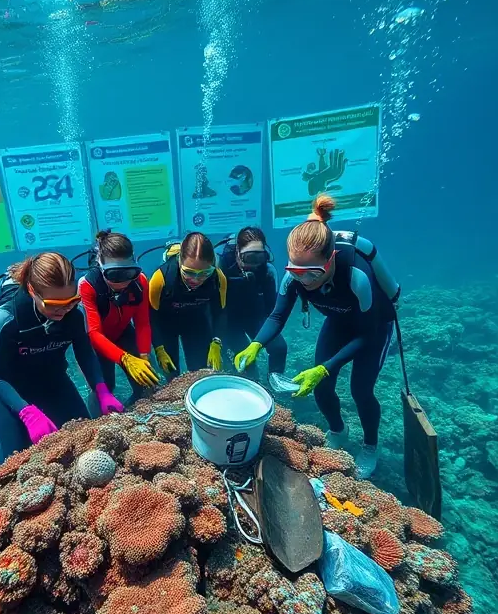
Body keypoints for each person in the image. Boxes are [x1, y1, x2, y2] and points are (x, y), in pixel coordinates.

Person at [234, 194, 402, 479]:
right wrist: (255, 344)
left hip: (373, 329)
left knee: (361, 391)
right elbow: (277, 316)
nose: (303, 280)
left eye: (311, 273)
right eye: (295, 271)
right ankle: (338, 430)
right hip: (339, 322)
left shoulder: (356, 278)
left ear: (331, 258)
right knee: (322, 388)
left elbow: (366, 335)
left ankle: (370, 446)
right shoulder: (295, 278)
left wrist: (325, 367)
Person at [0, 252, 122, 463]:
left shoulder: (76, 315)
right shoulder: (4, 319)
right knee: (14, 463)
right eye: (53, 304)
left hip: (53, 379)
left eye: (71, 301)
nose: (63, 310)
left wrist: (101, 389)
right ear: (32, 291)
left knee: (83, 442)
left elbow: (85, 355)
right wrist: (26, 412)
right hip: (11, 388)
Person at [78, 229, 159, 413]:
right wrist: (124, 358)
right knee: (103, 389)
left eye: (129, 273)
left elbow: (143, 323)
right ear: (101, 267)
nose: (123, 282)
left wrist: (144, 355)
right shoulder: (87, 285)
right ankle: (97, 423)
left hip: (124, 333)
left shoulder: (140, 282)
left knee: (147, 382)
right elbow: (94, 333)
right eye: (114, 275)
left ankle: (136, 410)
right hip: (98, 343)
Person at [148, 232, 228, 380]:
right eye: (189, 273)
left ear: (213, 267)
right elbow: (151, 316)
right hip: (166, 325)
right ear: (179, 262)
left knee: (200, 371)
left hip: (196, 323)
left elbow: (220, 312)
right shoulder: (160, 278)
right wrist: (159, 348)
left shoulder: (218, 278)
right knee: (171, 374)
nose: (196, 280)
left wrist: (217, 342)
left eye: (205, 273)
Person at [218, 226, 287, 380]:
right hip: (228, 320)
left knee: (279, 348)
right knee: (248, 364)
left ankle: (275, 383)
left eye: (260, 258)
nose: (255, 264)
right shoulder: (221, 267)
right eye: (250, 257)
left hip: (255, 315)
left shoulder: (268, 271)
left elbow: (272, 312)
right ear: (237, 253)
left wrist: (260, 341)